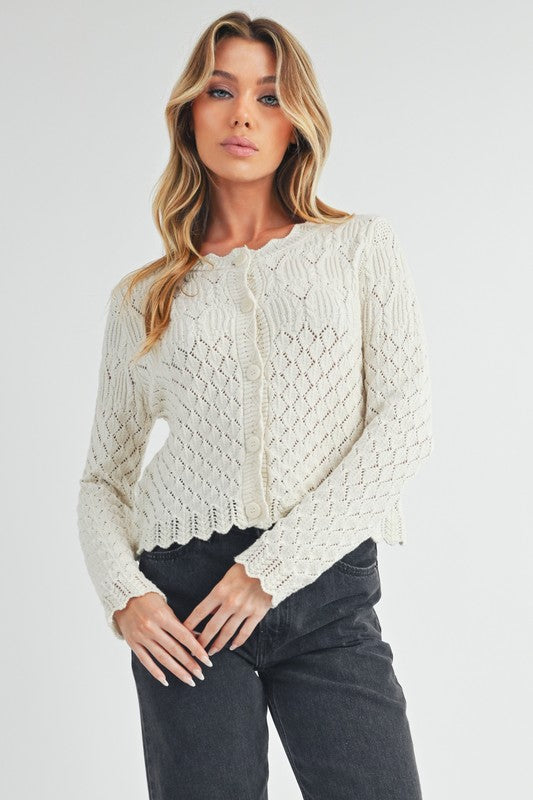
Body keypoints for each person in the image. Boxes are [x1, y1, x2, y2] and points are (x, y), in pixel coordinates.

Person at [76, 11, 434, 800]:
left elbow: (403, 427)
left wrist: (269, 571)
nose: (242, 114)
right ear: (188, 114)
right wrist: (125, 596)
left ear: (294, 125)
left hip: (326, 590)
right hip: (185, 608)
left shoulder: (357, 248)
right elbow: (103, 477)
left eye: (268, 97)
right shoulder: (142, 296)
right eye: (220, 90)